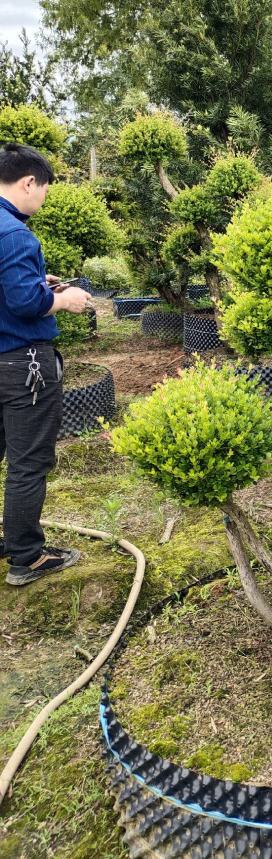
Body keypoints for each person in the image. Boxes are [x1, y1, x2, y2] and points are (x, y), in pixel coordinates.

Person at [0, 141, 92, 586]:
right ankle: (26, 557)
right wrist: (62, 298)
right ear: (29, 181)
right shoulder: (16, 234)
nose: (43, 199)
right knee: (29, 461)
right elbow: (23, 303)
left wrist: (39, 280)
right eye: (45, 190)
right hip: (22, 364)